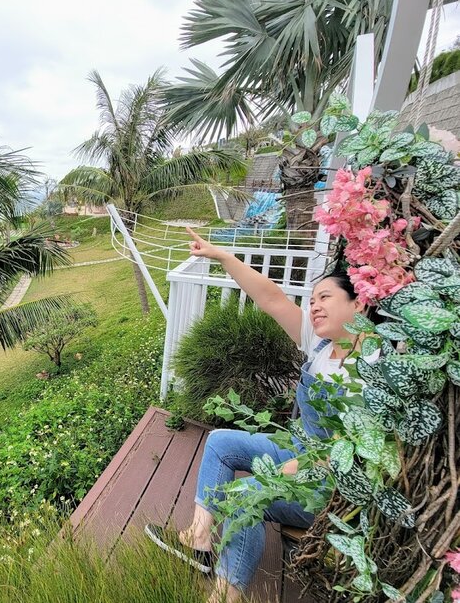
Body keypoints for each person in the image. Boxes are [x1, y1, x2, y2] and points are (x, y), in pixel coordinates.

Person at [144, 227, 380, 602]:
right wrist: (221, 256)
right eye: (312, 298)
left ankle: (226, 595)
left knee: (247, 493)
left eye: (325, 297)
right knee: (221, 441)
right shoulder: (321, 344)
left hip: (330, 486)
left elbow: (344, 451)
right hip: (298, 451)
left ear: (360, 304)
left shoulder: (374, 367)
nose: (314, 305)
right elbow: (270, 298)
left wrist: (281, 473)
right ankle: (199, 540)